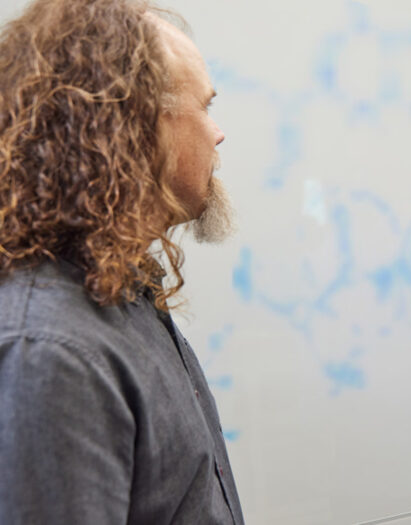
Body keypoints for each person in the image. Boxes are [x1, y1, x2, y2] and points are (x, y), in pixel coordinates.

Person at [0, 0, 242, 523]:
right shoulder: (48, 349)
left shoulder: (120, 290)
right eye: (205, 106)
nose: (217, 133)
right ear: (139, 129)